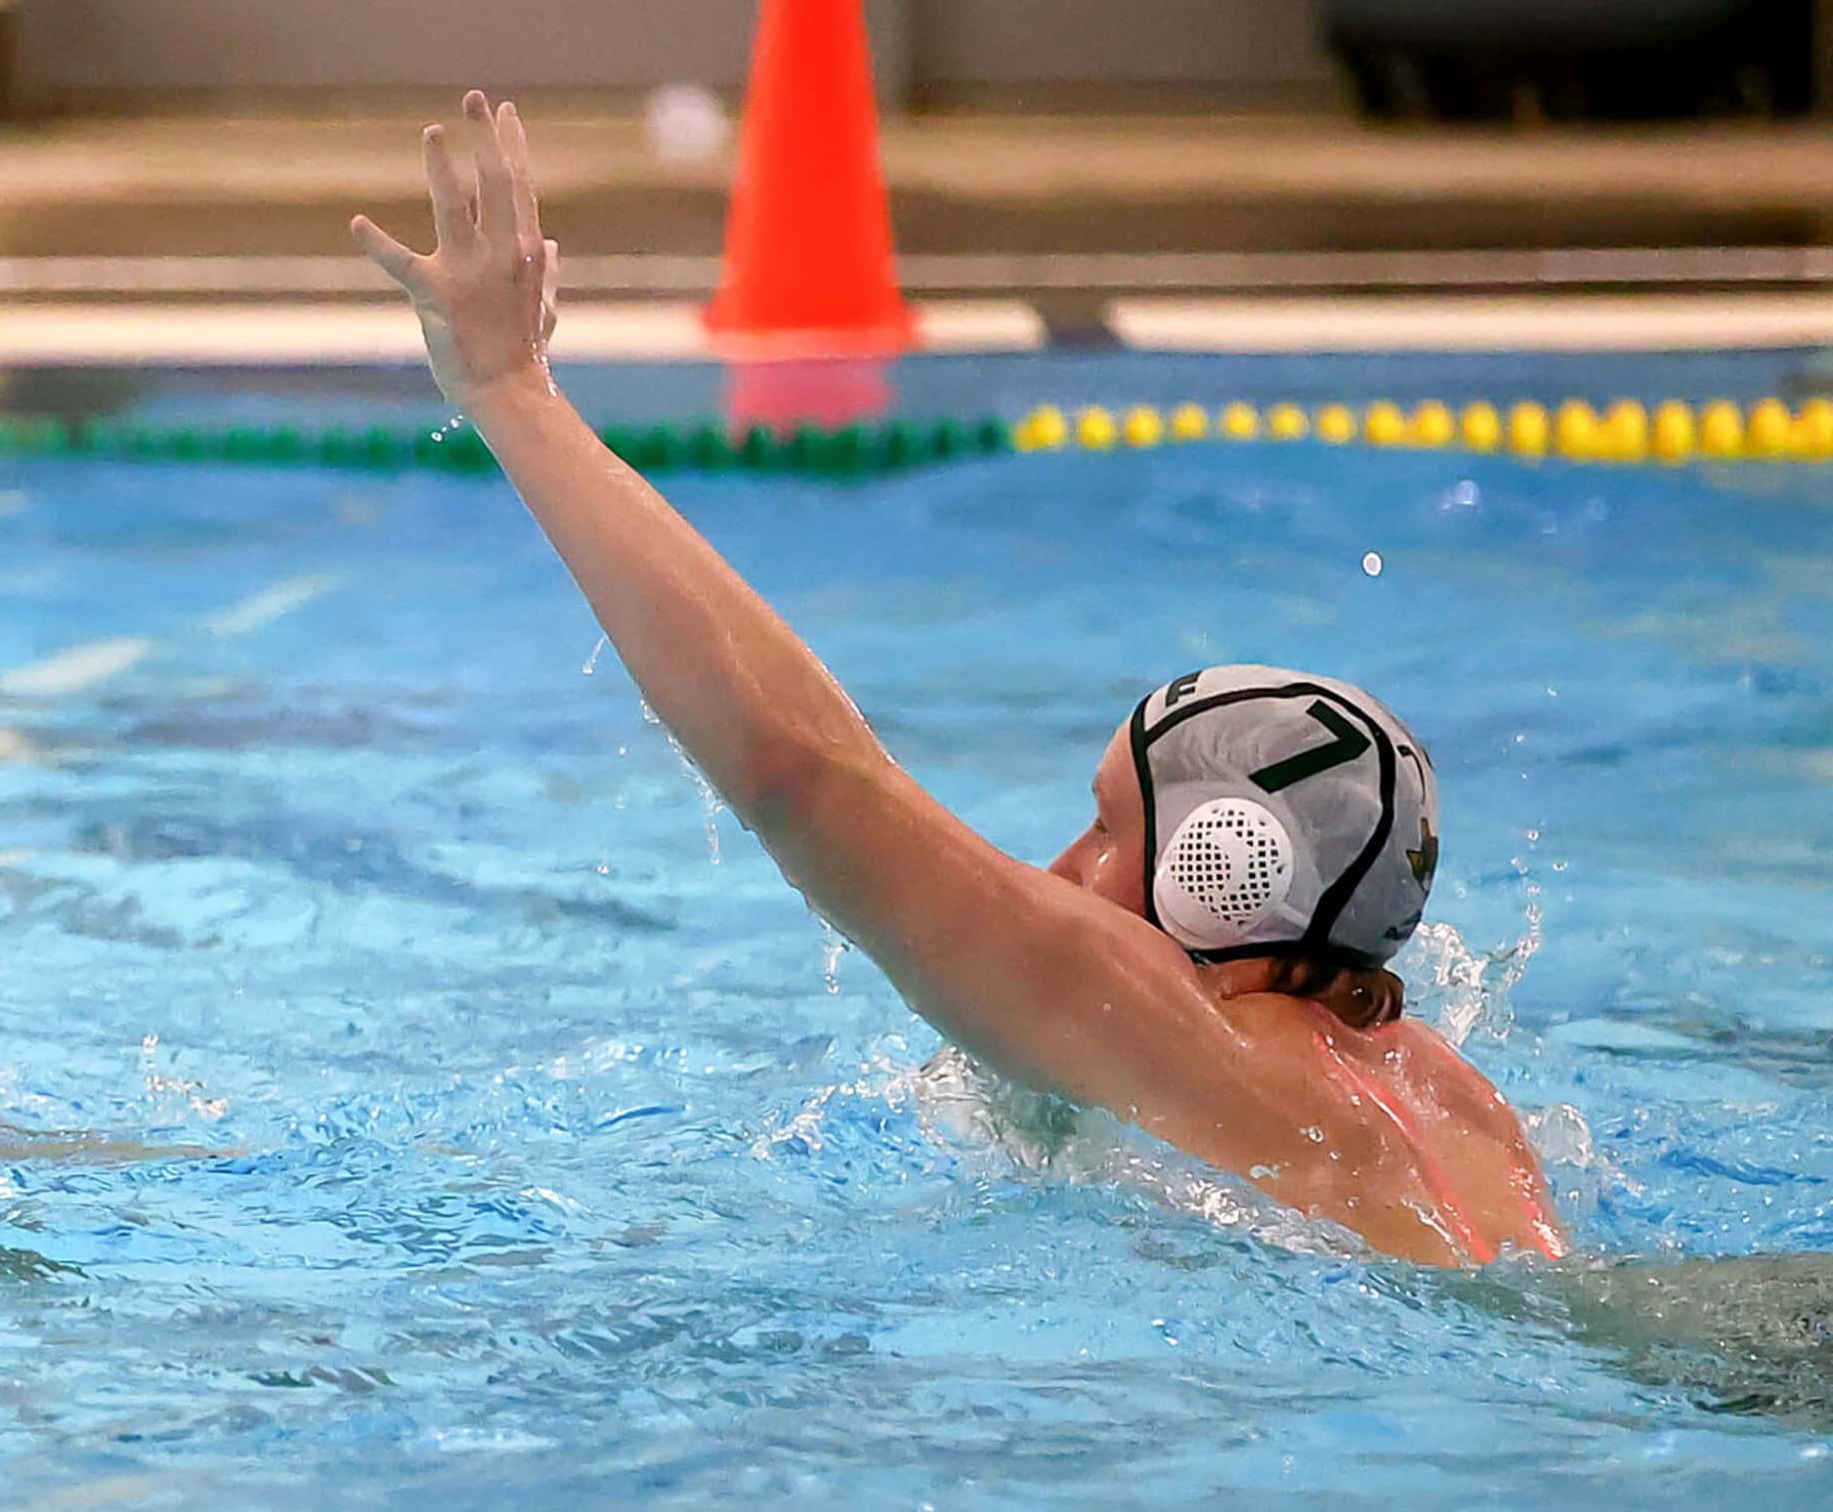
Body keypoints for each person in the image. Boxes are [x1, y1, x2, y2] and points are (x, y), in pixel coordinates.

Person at [355, 92, 1564, 1266]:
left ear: (1225, 870)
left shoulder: (1179, 1034)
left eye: (1106, 830)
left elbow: (806, 776)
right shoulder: (1455, 1101)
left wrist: (513, 395)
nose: (1057, 874)